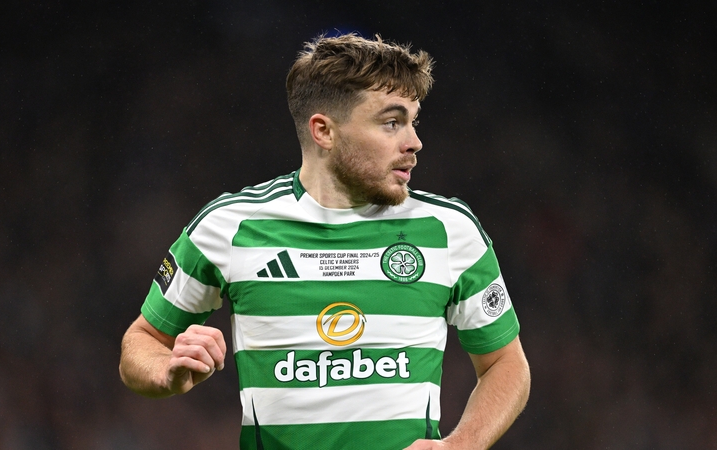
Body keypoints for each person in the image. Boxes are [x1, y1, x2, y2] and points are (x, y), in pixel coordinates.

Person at [119, 33, 530, 449]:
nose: (414, 142)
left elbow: (506, 363)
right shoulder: (228, 227)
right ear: (324, 131)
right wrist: (166, 368)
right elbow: (143, 341)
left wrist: (460, 446)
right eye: (392, 122)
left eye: (413, 121)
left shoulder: (449, 229)